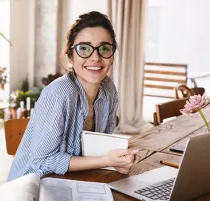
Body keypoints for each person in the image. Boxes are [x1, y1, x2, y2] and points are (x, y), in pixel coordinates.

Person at [8, 11, 138, 181]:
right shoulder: (60, 93)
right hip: (33, 185)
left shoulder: (108, 90)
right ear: (70, 55)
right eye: (84, 48)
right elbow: (42, 161)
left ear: (112, 55)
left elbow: (99, 147)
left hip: (73, 180)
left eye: (104, 48)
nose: (95, 58)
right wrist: (104, 161)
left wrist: (116, 160)